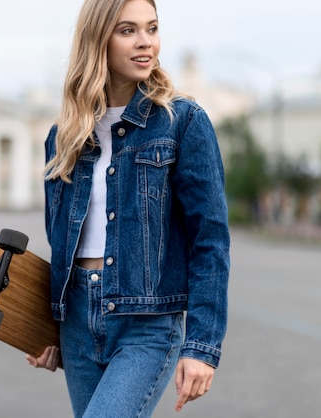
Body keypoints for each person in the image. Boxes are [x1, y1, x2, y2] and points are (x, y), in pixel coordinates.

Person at [26, 0, 230, 416]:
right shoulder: (63, 136)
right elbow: (60, 241)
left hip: (147, 324)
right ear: (98, 39)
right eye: (128, 31)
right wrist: (47, 324)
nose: (145, 43)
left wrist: (202, 346)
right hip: (77, 323)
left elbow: (210, 239)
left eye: (151, 29)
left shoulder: (182, 122)